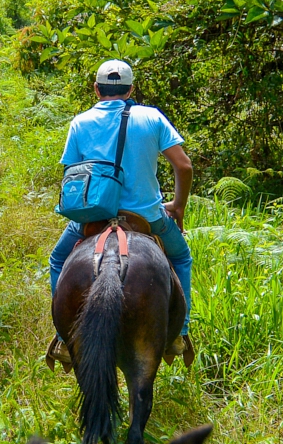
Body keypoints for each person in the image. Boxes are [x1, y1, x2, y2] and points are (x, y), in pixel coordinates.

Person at [48, 59, 193, 358]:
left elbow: (71, 177)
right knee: (181, 257)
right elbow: (184, 165)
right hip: (147, 218)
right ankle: (179, 334)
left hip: (93, 216)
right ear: (131, 89)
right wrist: (177, 206)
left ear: (96, 89)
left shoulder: (80, 122)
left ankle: (63, 339)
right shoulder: (152, 117)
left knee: (57, 260)